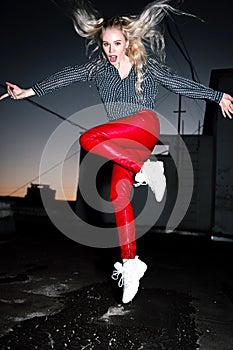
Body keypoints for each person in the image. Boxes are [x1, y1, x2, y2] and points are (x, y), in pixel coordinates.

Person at [1, 0, 233, 304]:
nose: (111, 50)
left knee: (88, 138)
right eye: (106, 44)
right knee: (117, 196)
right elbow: (65, 76)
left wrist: (216, 96)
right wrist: (27, 92)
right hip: (122, 146)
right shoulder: (97, 70)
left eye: (117, 43)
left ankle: (146, 169)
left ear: (128, 42)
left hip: (144, 127)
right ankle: (131, 262)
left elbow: (178, 83)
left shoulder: (145, 67)